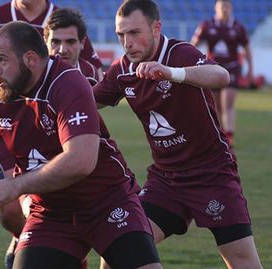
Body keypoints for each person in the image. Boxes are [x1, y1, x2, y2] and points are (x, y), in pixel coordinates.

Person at [0, 21, 162, 269]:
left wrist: (17, 185)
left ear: (31, 59)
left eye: (2, 60)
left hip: (106, 201)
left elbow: (81, 160)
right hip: (50, 214)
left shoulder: (68, 83)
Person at [93, 1, 263, 268]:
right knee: (118, 251)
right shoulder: (123, 70)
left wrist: (172, 74)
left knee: (243, 262)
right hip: (166, 181)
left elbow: (221, 76)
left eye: (135, 33)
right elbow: (89, 102)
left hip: (212, 174)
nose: (127, 43)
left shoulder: (179, 53)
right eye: (121, 35)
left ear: (156, 27)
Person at [0, 2, 104, 266]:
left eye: (70, 42)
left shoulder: (63, 21)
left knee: (50, 192)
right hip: (9, 124)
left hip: (58, 132)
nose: (62, 48)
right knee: (8, 211)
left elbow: (96, 75)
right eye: (55, 42)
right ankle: (29, 238)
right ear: (45, 39)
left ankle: (54, 246)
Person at [190, 0, 253, 147]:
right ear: (216, 8)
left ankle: (229, 135)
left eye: (227, 6)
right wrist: (192, 61)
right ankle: (220, 133)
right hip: (213, 69)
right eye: (221, 6)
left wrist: (250, 70)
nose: (224, 9)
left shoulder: (238, 28)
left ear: (231, 8)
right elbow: (193, 45)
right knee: (216, 104)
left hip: (232, 68)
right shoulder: (206, 25)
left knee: (228, 102)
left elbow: (247, 50)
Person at [43, 8, 100, 86]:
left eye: (70, 42)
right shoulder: (34, 75)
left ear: (82, 43)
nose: (62, 50)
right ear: (45, 42)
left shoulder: (90, 74)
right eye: (55, 42)